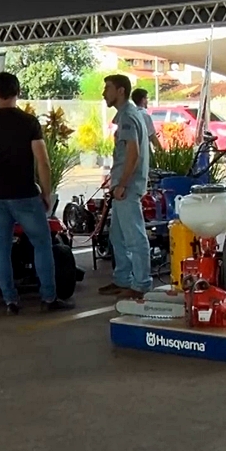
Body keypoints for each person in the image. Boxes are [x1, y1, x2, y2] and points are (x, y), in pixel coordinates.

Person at [0, 72, 73, 315]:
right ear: (17, 92)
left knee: (2, 248)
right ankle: (48, 298)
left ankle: (10, 301)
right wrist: (46, 193)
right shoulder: (28, 122)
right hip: (25, 194)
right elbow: (43, 162)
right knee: (41, 244)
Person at [98, 74, 152, 299]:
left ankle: (141, 284)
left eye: (108, 88)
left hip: (127, 187)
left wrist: (122, 183)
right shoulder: (128, 115)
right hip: (123, 186)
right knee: (117, 236)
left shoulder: (129, 116)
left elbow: (133, 153)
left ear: (120, 91)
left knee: (134, 237)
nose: (104, 93)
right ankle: (123, 279)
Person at [131, 87, 163, 151]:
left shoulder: (132, 114)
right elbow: (152, 136)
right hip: (144, 149)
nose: (147, 101)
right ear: (143, 100)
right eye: (146, 98)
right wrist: (161, 151)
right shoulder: (144, 115)